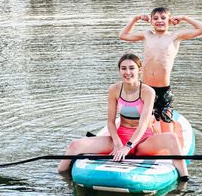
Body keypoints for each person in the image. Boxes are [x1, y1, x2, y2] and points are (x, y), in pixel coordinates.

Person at [57, 53, 189, 179]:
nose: (127, 72)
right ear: (119, 71)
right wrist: (118, 143)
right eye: (123, 68)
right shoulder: (114, 90)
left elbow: (143, 125)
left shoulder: (148, 91)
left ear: (139, 71)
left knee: (172, 138)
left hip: (142, 142)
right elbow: (110, 122)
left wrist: (128, 146)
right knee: (75, 145)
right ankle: (61, 176)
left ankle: (184, 177)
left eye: (132, 68)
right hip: (120, 138)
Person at [119, 7, 202, 131]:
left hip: (163, 90)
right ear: (150, 21)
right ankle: (146, 138)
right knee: (144, 123)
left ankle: (170, 134)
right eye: (155, 18)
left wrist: (184, 18)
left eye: (163, 18)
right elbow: (123, 35)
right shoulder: (147, 35)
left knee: (165, 123)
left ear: (170, 21)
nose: (159, 21)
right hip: (145, 88)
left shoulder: (175, 36)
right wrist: (136, 18)